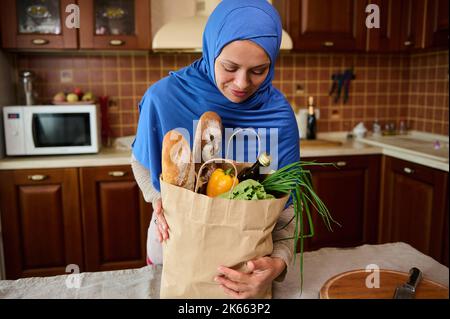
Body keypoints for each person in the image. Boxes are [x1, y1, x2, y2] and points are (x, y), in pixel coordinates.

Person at [131, 0, 299, 299]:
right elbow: (141, 160)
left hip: (246, 273)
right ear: (211, 50)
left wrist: (277, 264)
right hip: (174, 252)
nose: (242, 83)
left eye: (258, 71)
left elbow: (286, 210)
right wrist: (157, 198)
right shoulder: (164, 98)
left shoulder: (278, 116)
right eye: (230, 67)